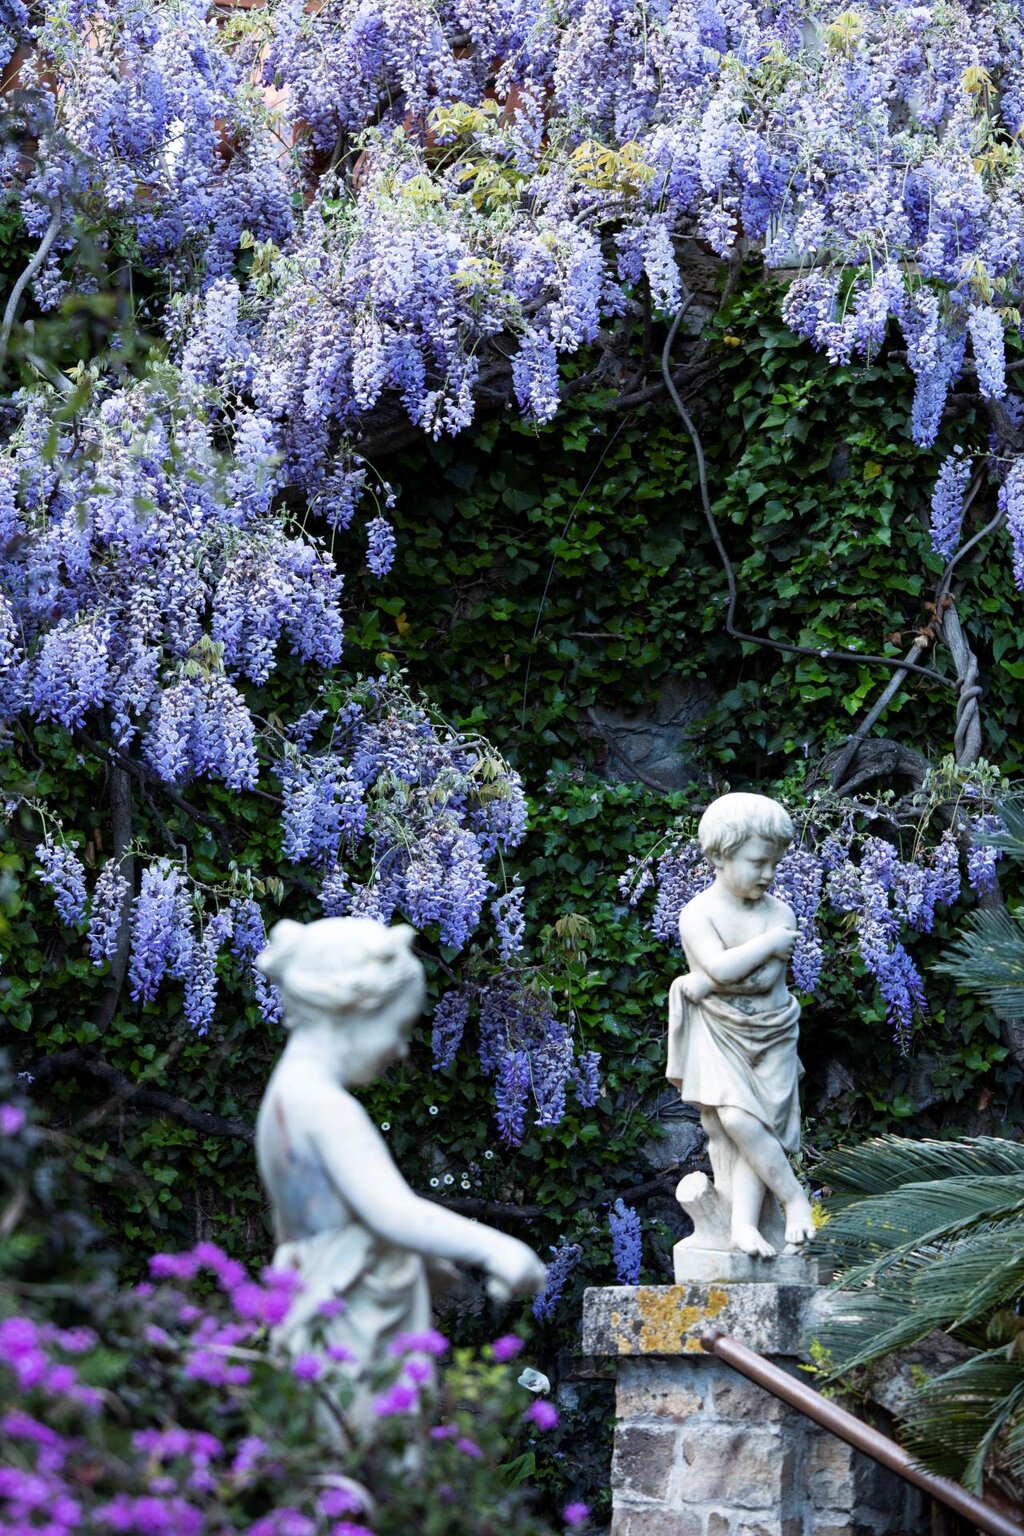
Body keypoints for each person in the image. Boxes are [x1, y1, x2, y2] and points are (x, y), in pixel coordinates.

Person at [254, 916, 546, 1430]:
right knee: (368, 1467)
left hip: (315, 1297)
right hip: (349, 1318)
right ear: (354, 1009)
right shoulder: (323, 1106)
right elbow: (391, 1211)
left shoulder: (287, 1094)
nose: (401, 1048)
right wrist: (498, 1249)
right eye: (399, 1027)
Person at [667, 792, 815, 1258]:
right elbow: (724, 969)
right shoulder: (699, 914)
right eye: (758, 862)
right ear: (720, 855)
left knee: (758, 1126)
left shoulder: (779, 914)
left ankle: (744, 1227)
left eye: (775, 863)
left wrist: (709, 981)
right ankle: (795, 1199)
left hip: (772, 1031)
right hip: (719, 1032)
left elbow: (764, 979)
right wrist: (751, 955)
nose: (768, 874)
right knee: (734, 1118)